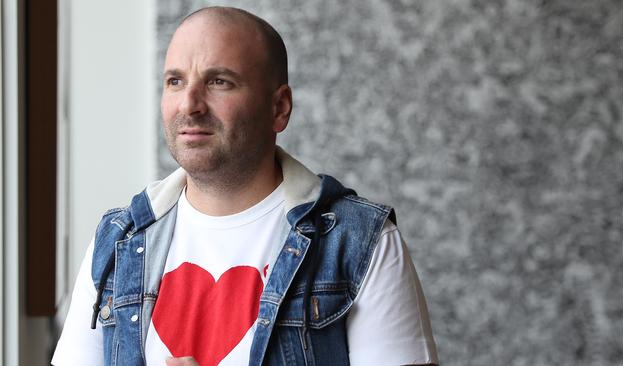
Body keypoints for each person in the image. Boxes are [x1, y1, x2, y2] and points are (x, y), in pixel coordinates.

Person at [52, 6, 438, 366]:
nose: (190, 104)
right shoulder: (117, 242)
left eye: (219, 81)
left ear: (279, 108)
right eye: (175, 81)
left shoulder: (359, 244)